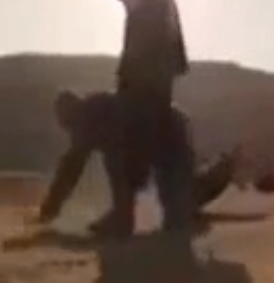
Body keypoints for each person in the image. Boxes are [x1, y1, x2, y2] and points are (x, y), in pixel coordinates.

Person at [78, 0, 191, 237]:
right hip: (151, 36)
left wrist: (154, 48)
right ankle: (169, 211)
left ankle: (128, 213)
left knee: (129, 124)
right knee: (152, 125)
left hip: (149, 37)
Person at [31, 91, 237, 230]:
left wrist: (49, 210)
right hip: (167, 129)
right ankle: (220, 171)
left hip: (167, 131)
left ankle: (121, 216)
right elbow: (72, 166)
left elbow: (71, 168)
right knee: (178, 203)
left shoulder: (89, 115)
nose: (69, 131)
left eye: (65, 123)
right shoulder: (93, 113)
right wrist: (50, 208)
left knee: (177, 206)